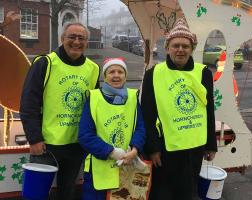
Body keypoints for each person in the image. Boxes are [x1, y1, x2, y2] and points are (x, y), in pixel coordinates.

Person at [20, 22, 100, 200]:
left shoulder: (93, 69)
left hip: (77, 145)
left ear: (87, 42)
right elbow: (28, 104)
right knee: (37, 194)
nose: (76, 42)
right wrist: (34, 139)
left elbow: (96, 107)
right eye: (72, 37)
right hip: (46, 145)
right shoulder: (45, 63)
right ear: (62, 38)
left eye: (81, 38)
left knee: (67, 192)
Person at [141, 18, 217, 200]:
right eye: (176, 45)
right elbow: (147, 113)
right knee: (162, 194)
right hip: (165, 149)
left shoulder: (203, 73)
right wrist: (152, 148)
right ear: (167, 48)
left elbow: (209, 110)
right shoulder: (154, 74)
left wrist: (211, 144)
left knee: (188, 193)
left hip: (194, 148)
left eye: (185, 46)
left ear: (192, 49)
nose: (180, 50)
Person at [78, 58, 146, 200]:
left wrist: (135, 149)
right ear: (105, 76)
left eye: (120, 72)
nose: (116, 75)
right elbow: (85, 135)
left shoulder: (133, 97)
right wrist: (112, 152)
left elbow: (139, 127)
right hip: (98, 169)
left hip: (128, 165)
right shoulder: (93, 98)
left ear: (125, 76)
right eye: (111, 72)